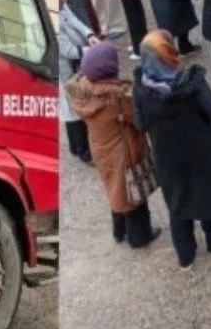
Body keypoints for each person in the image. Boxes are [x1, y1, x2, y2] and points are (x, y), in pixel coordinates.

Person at [132, 30, 211, 272]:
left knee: (178, 204)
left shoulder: (141, 89)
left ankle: (186, 258)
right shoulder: (192, 82)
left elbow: (140, 124)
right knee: (209, 195)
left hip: (168, 156)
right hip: (203, 150)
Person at [65, 42, 161, 248]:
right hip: (123, 151)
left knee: (114, 188)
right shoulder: (115, 96)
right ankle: (140, 237)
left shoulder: (83, 89)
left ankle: (119, 231)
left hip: (101, 148)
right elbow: (138, 117)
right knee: (131, 194)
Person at [58, 0, 101, 165]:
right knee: (73, 109)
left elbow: (76, 21)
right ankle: (82, 149)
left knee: (75, 106)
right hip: (66, 69)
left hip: (76, 65)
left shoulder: (63, 8)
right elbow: (68, 50)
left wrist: (89, 34)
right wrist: (89, 50)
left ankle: (78, 146)